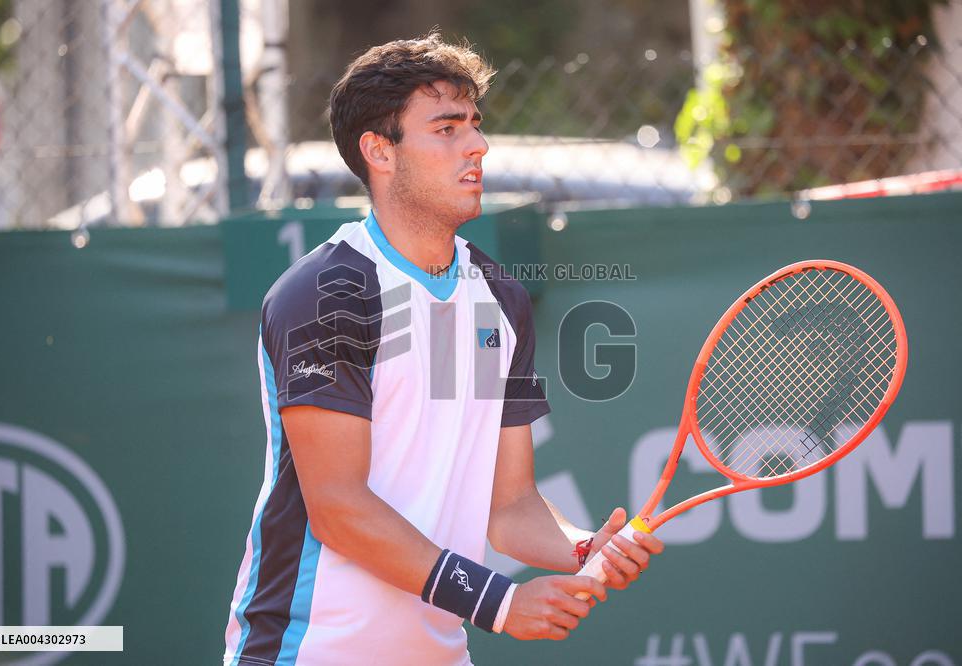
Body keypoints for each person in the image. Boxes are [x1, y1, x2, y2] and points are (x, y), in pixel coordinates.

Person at [223, 32, 664, 666]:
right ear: (380, 150)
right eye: (447, 129)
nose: (477, 145)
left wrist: (583, 547)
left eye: (475, 125)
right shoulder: (324, 293)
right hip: (307, 650)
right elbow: (339, 508)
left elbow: (509, 505)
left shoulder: (500, 298)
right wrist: (499, 603)